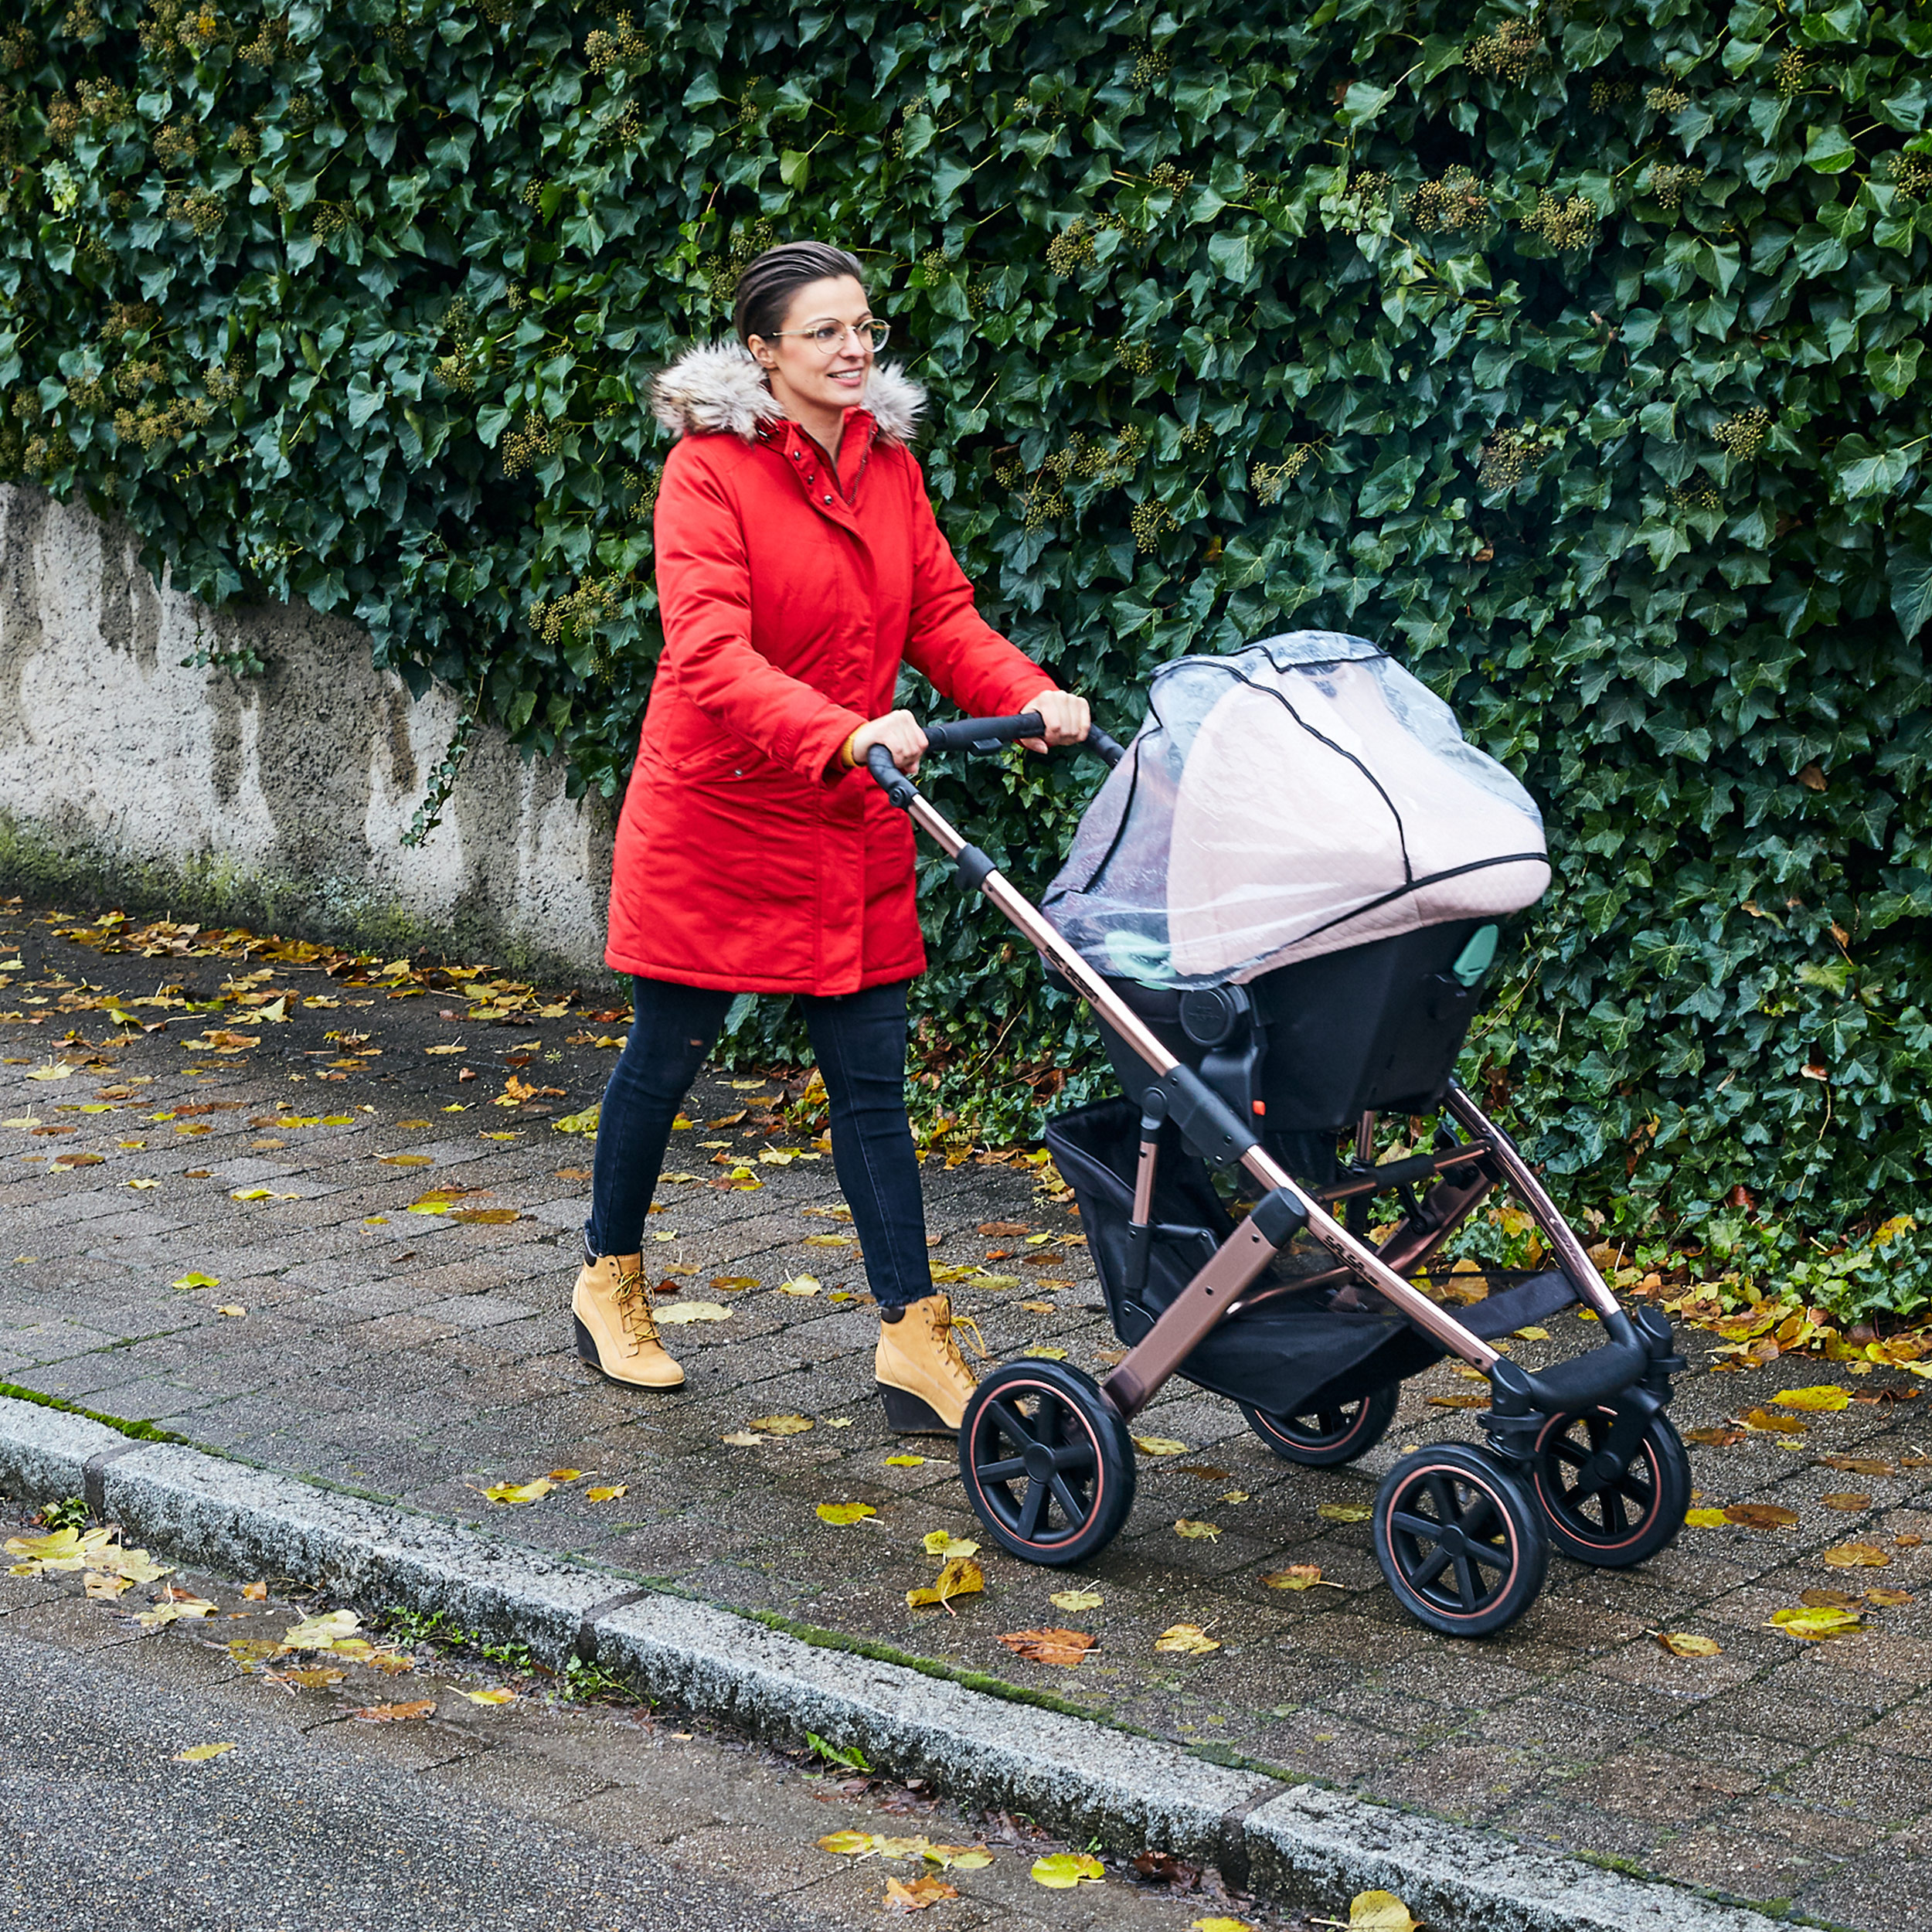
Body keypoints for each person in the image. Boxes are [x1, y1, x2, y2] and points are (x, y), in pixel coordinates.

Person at [573, 240, 1090, 1432]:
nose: (855, 349)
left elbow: (942, 615)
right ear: (762, 351)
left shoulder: (887, 467)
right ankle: (609, 1278)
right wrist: (848, 729)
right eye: (825, 332)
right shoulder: (706, 473)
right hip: (723, 806)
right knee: (669, 1053)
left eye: (865, 328)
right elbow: (708, 654)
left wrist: (1032, 694)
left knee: (871, 1081)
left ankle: (911, 1334)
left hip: (847, 811)